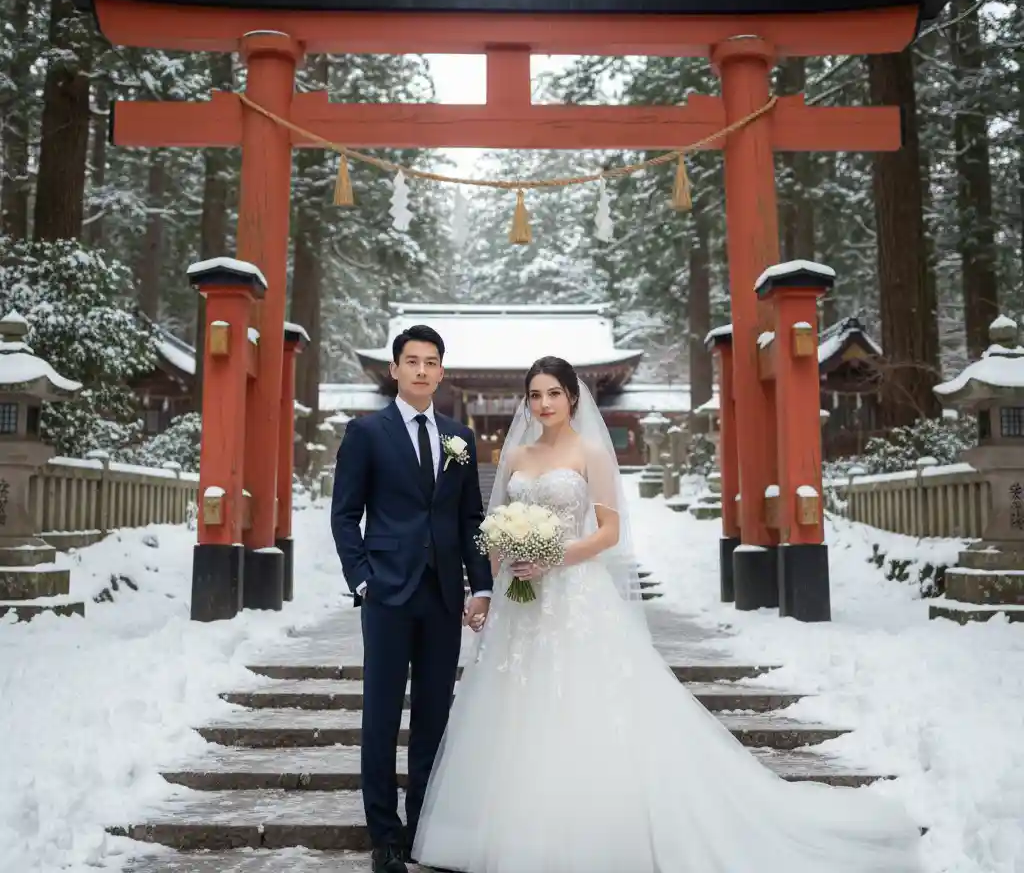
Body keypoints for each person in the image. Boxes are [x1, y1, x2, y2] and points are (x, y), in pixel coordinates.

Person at [412, 355, 924, 873]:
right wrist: (494, 587)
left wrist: (554, 558)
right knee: (513, 706)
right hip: (521, 605)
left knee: (582, 703)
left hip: (575, 595)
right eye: (535, 395)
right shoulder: (516, 457)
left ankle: (588, 827)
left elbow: (609, 533)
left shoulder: (589, 451)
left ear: (572, 397)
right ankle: (505, 825)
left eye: (553, 394)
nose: (543, 404)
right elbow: (497, 526)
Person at [331, 324, 494, 873]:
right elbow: (345, 514)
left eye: (431, 361)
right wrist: (361, 578)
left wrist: (483, 585)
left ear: (442, 371)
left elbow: (470, 517)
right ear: (395, 369)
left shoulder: (460, 440)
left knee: (433, 713)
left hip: (444, 594)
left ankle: (424, 822)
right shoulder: (366, 434)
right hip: (387, 592)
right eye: (412, 360)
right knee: (380, 713)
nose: (422, 369)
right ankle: (385, 833)